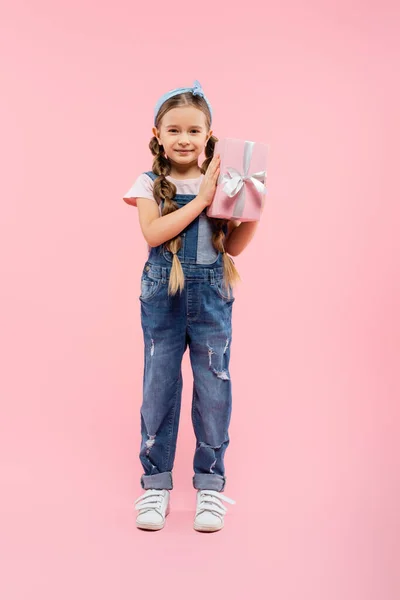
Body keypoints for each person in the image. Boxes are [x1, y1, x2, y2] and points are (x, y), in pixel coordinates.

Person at [123, 80, 262, 532]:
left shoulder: (224, 181)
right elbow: (152, 233)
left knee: (213, 389)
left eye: (194, 131)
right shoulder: (149, 183)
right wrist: (201, 199)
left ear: (209, 135)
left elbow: (234, 248)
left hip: (211, 296)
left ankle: (210, 487)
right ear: (158, 134)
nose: (185, 139)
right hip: (163, 297)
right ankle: (156, 486)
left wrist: (253, 206)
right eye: (175, 130)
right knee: (158, 388)